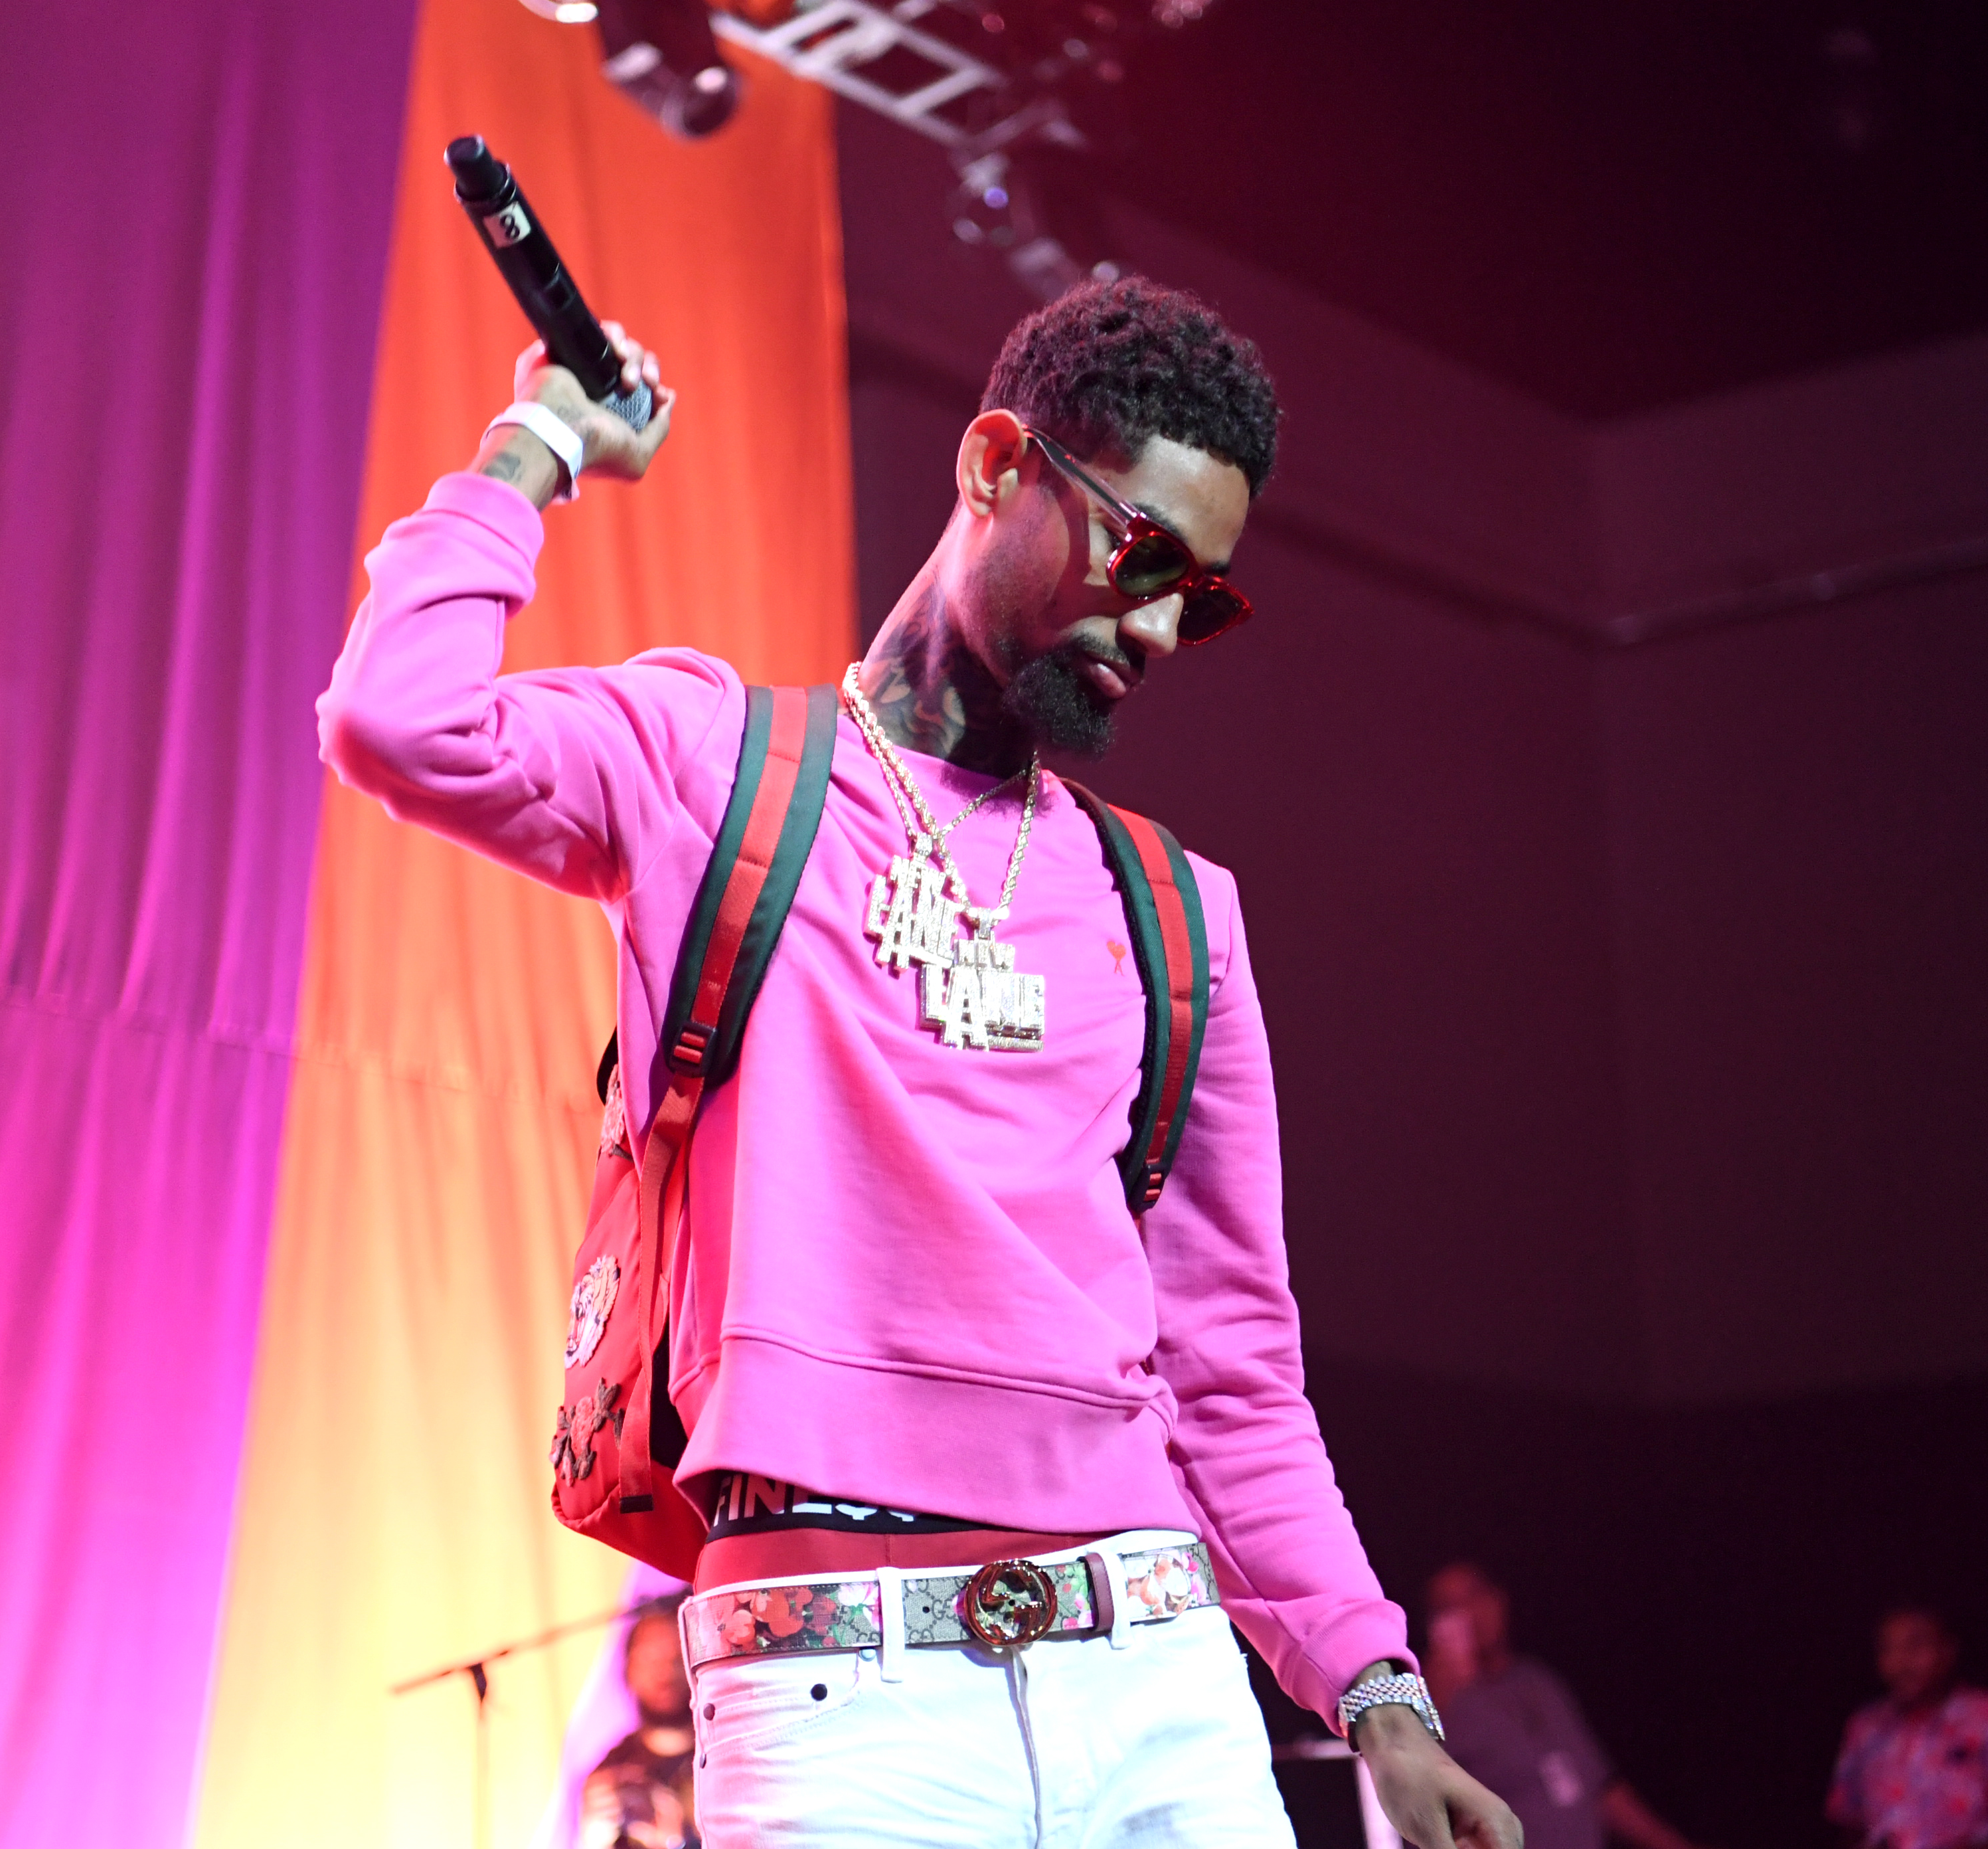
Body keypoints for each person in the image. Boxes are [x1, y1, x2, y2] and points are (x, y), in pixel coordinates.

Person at [316, 276, 1520, 1849]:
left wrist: (1377, 1695)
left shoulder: (1177, 915)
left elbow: (1231, 1365)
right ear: (995, 467)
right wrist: (540, 438)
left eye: (1200, 595)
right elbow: (398, 724)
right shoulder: (713, 766)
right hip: (840, 1700)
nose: (1158, 627)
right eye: (1140, 556)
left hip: (1157, 1679)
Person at [1421, 1563, 1709, 1849]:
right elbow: (1413, 1782)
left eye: (1475, 1596)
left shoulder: (1538, 1681)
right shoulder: (1433, 1698)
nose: (1469, 1614)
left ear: (1498, 1600)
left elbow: (1599, 1788)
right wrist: (1438, 1684)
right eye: (1450, 1607)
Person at [1825, 1604, 1988, 1849]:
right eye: (1888, 1649)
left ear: (1948, 1651)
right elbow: (1848, 1823)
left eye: (1915, 1646)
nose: (1901, 1662)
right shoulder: (1866, 1726)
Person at [580, 1600, 700, 1849]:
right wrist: (593, 1840)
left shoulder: (731, 1758)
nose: (665, 1671)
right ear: (629, 1668)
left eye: (677, 1657)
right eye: (650, 1657)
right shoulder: (611, 1774)